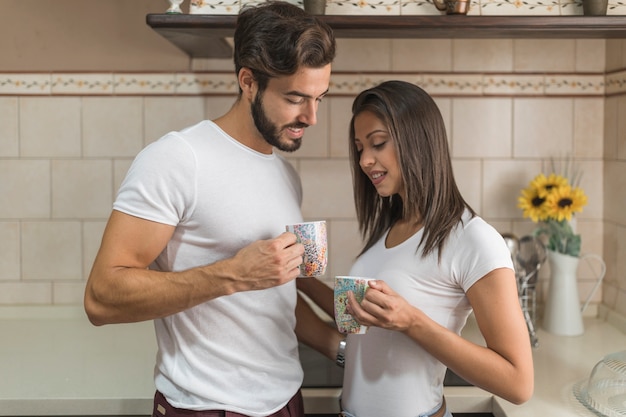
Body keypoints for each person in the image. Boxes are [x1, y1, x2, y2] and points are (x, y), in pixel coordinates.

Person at [84, 2, 342, 417]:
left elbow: (273, 297)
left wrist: (343, 350)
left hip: (286, 402)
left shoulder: (286, 176)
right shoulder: (177, 159)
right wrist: (233, 274)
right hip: (205, 407)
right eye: (295, 98)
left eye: (319, 98)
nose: (311, 117)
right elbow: (101, 297)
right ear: (248, 82)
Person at [298, 80, 534, 417]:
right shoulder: (390, 229)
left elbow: (518, 383)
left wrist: (411, 322)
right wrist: (296, 278)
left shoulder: (473, 240)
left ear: (418, 142)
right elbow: (356, 318)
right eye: (360, 147)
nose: (365, 160)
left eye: (377, 143)